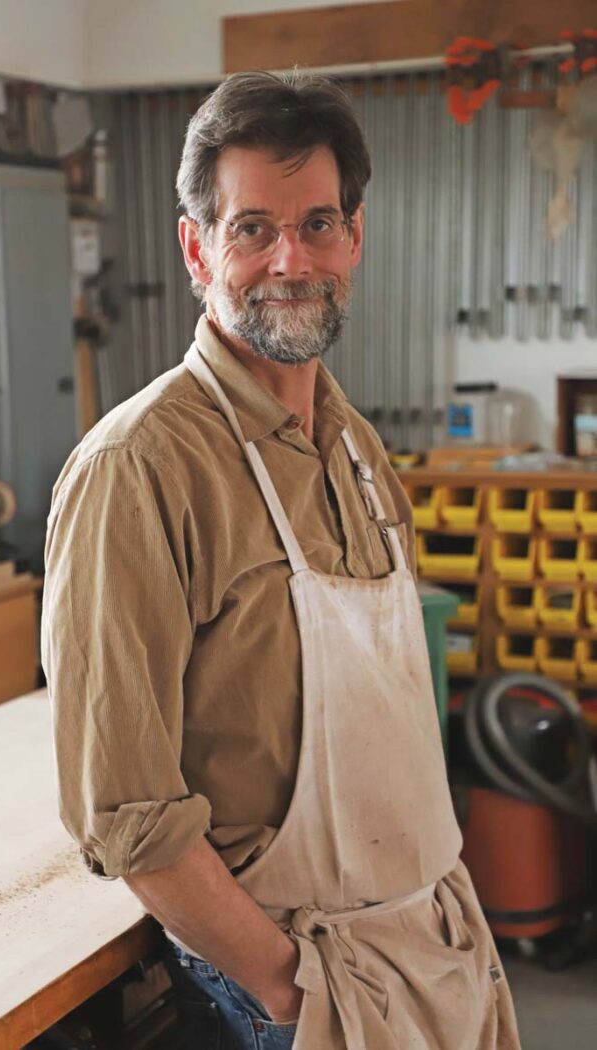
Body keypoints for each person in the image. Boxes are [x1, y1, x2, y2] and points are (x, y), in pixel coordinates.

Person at [42, 71, 521, 1050]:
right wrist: (287, 989)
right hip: (303, 983)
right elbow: (123, 811)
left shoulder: (356, 446)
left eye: (317, 224)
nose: (290, 259)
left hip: (431, 946)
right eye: (252, 228)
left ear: (355, 237)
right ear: (196, 247)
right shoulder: (138, 468)